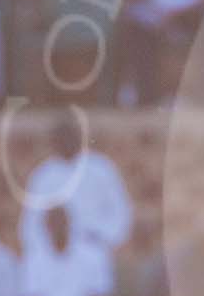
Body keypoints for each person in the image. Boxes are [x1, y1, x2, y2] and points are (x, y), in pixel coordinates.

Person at [19, 111, 134, 263]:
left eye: (69, 136)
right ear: (53, 141)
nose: (65, 141)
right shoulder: (43, 176)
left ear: (80, 137)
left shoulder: (101, 168)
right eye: (60, 137)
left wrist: (103, 238)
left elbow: (121, 212)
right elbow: (30, 225)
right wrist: (49, 249)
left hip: (94, 252)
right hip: (52, 257)